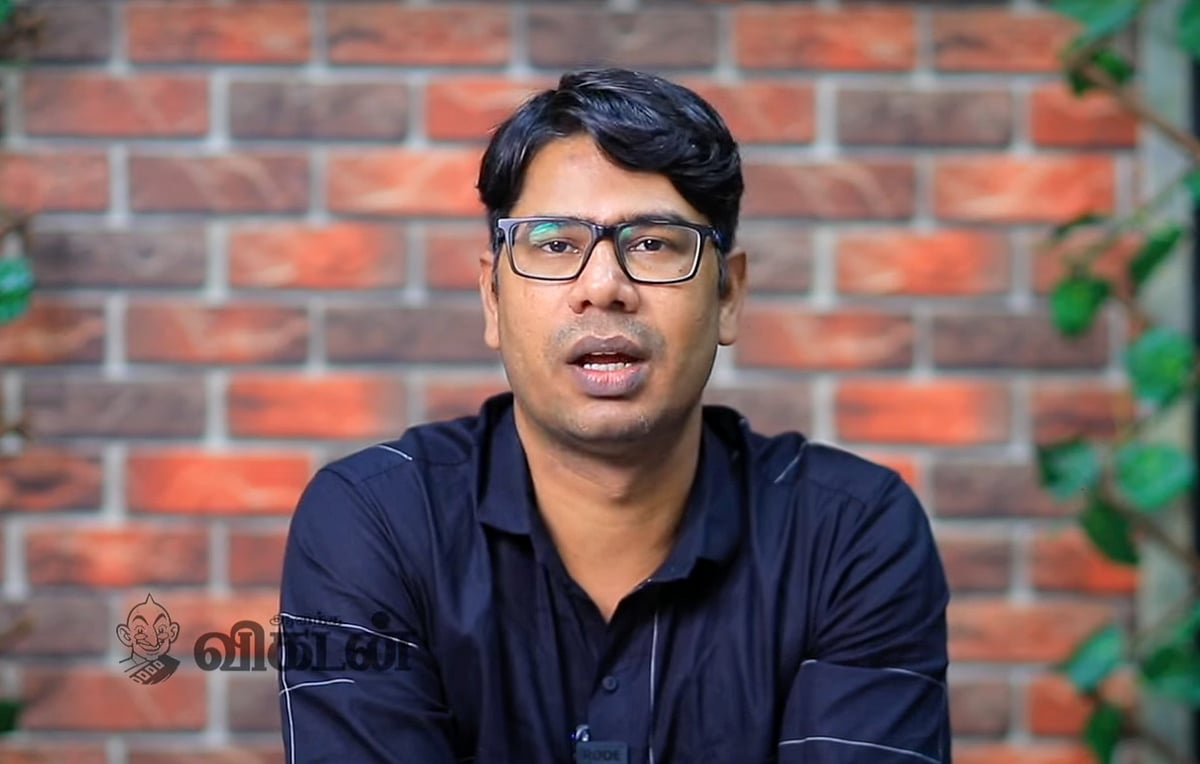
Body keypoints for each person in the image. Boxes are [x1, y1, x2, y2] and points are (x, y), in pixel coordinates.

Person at [277, 67, 950, 764]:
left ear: (728, 296)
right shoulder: (378, 522)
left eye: (654, 242)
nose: (603, 286)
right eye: (555, 243)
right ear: (492, 297)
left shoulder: (847, 534)